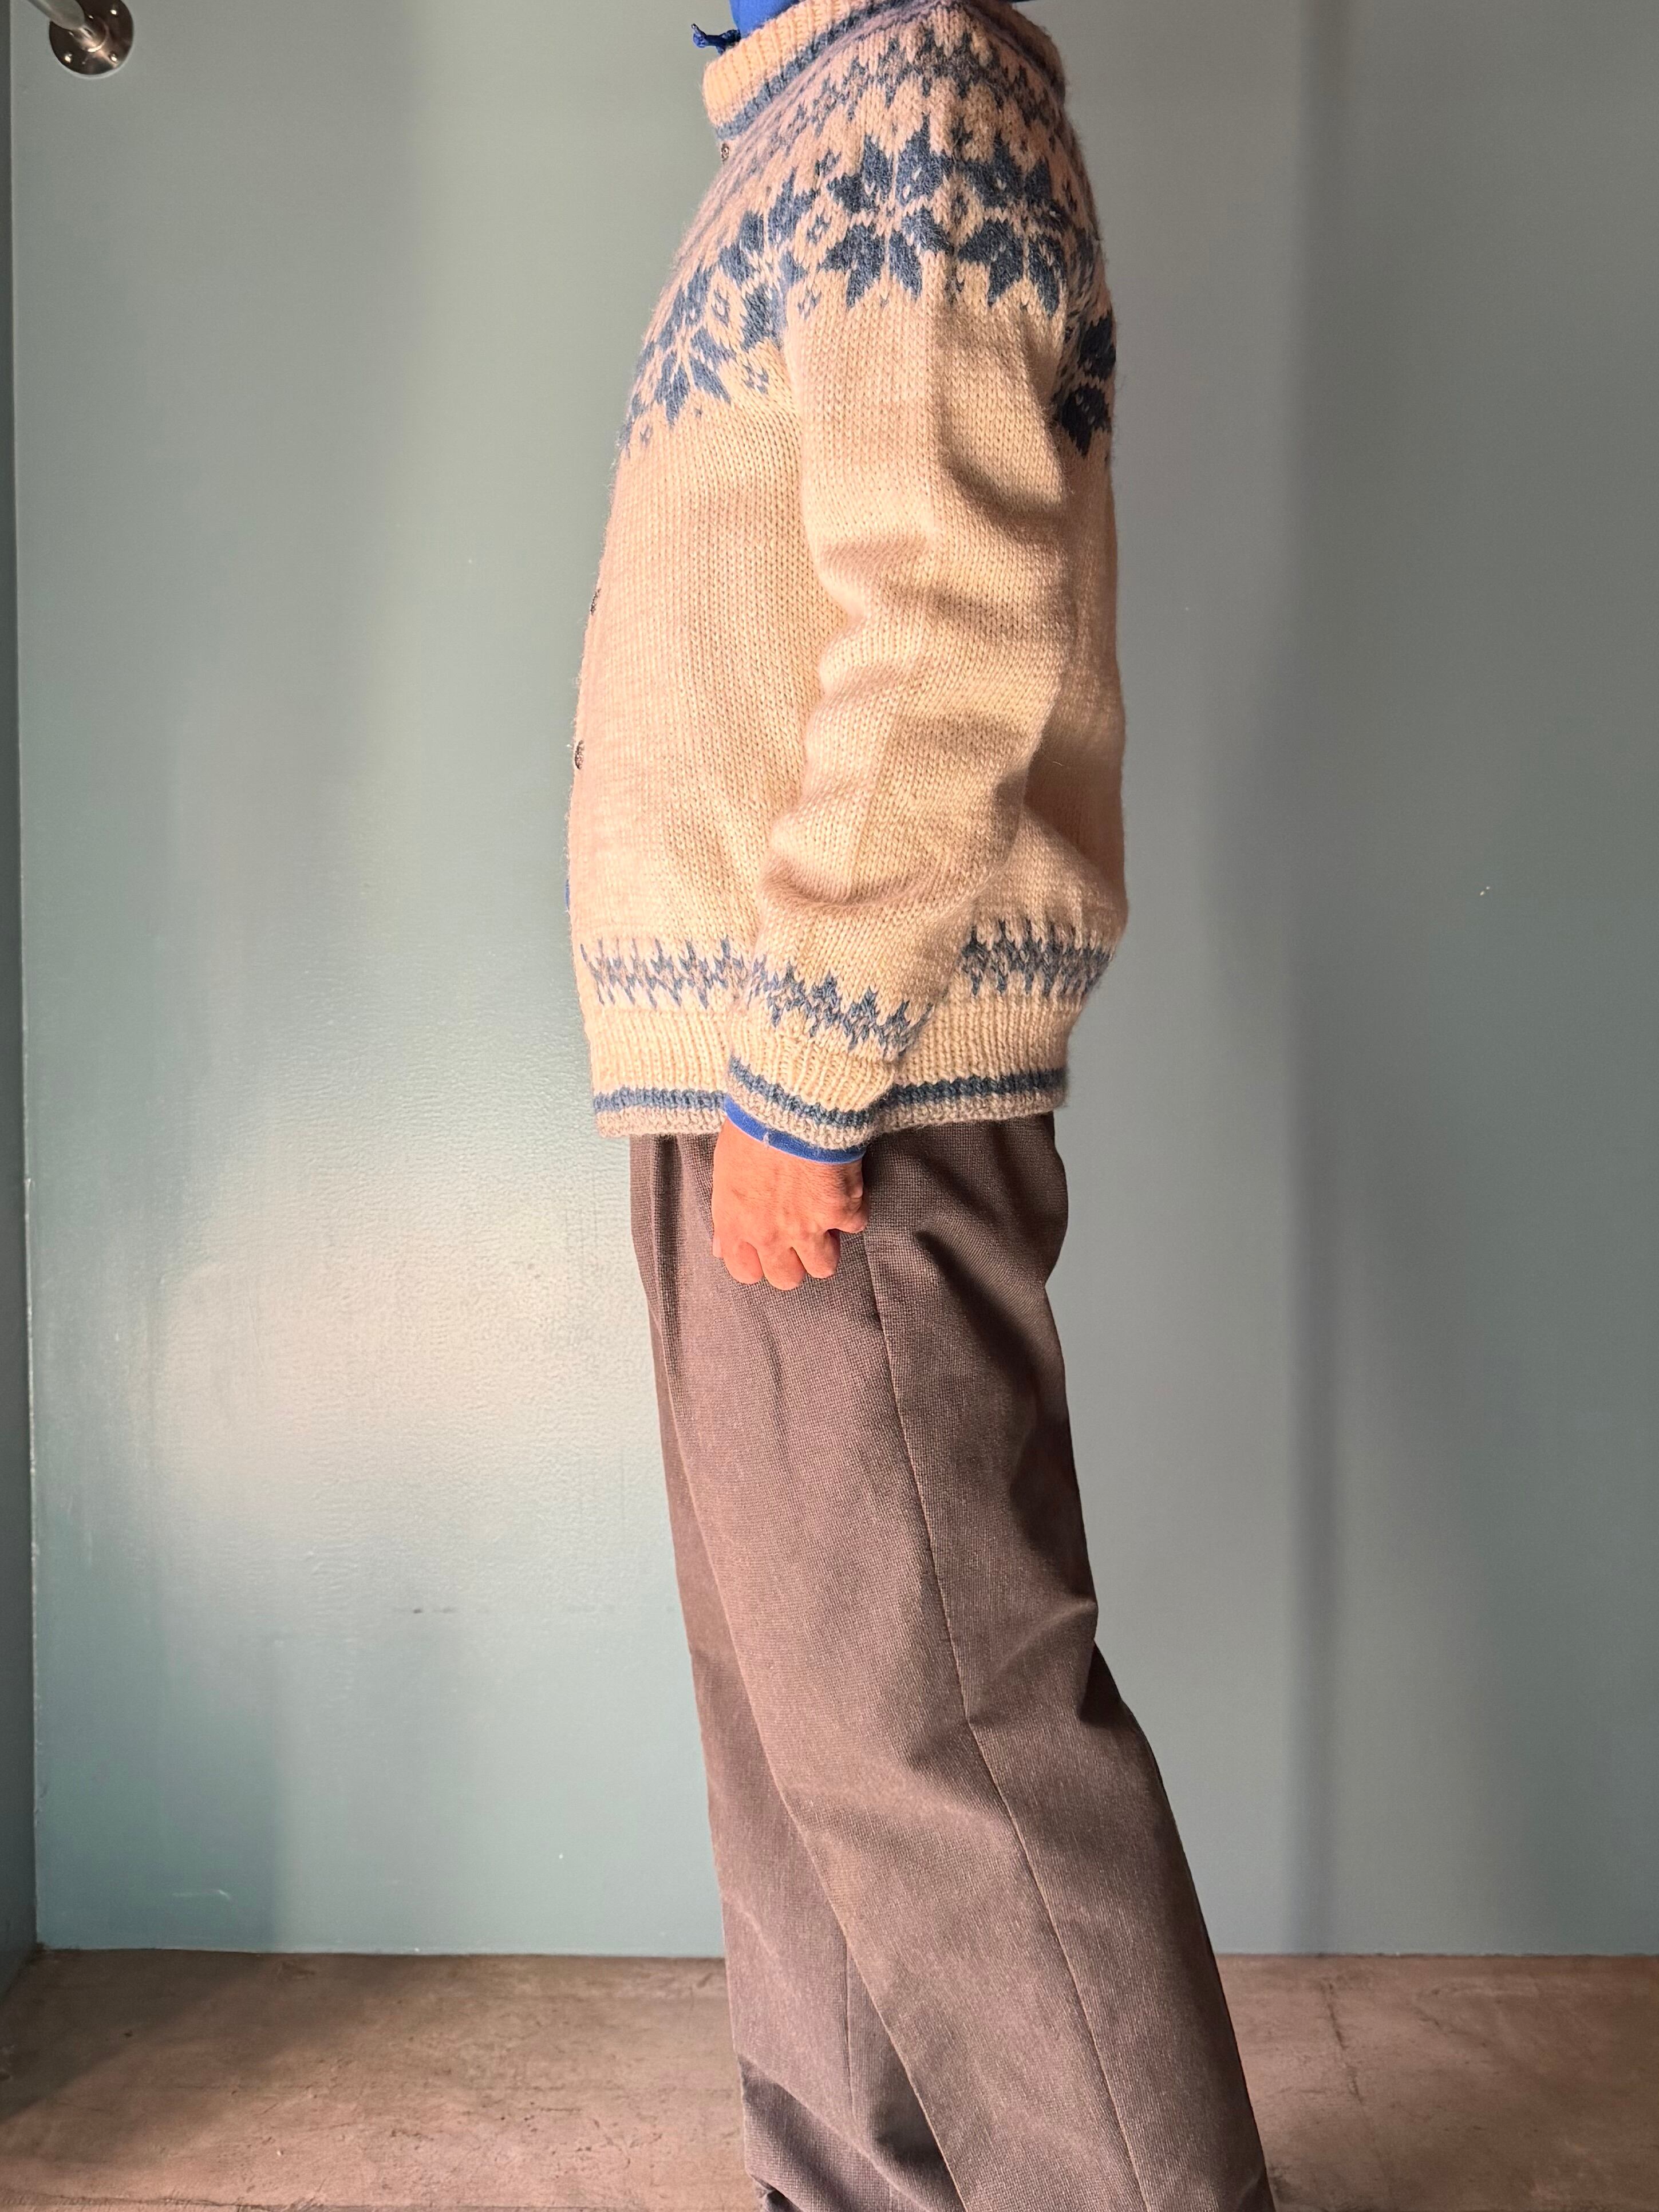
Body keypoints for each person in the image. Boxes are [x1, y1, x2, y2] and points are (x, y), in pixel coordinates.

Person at [566, 1, 1275, 2205]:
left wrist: (802, 1067)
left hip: (842, 1081)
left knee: (934, 1736)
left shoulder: (919, 102)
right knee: (798, 1740)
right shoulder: (791, 140)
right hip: (734, 1076)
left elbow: (958, 610)